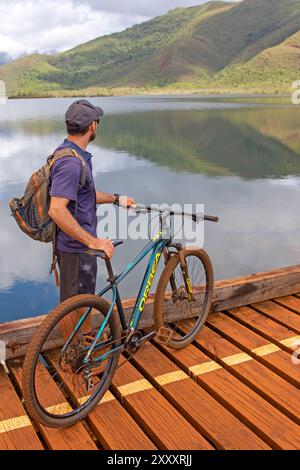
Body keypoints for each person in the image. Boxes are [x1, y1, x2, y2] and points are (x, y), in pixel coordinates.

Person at [49, 99, 135, 339]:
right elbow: (56, 210)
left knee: (83, 300)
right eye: (96, 121)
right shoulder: (71, 163)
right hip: (76, 248)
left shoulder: (74, 154)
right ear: (92, 126)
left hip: (80, 248)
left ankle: (83, 345)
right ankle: (72, 360)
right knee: (72, 306)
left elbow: (83, 194)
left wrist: (116, 199)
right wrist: (93, 242)